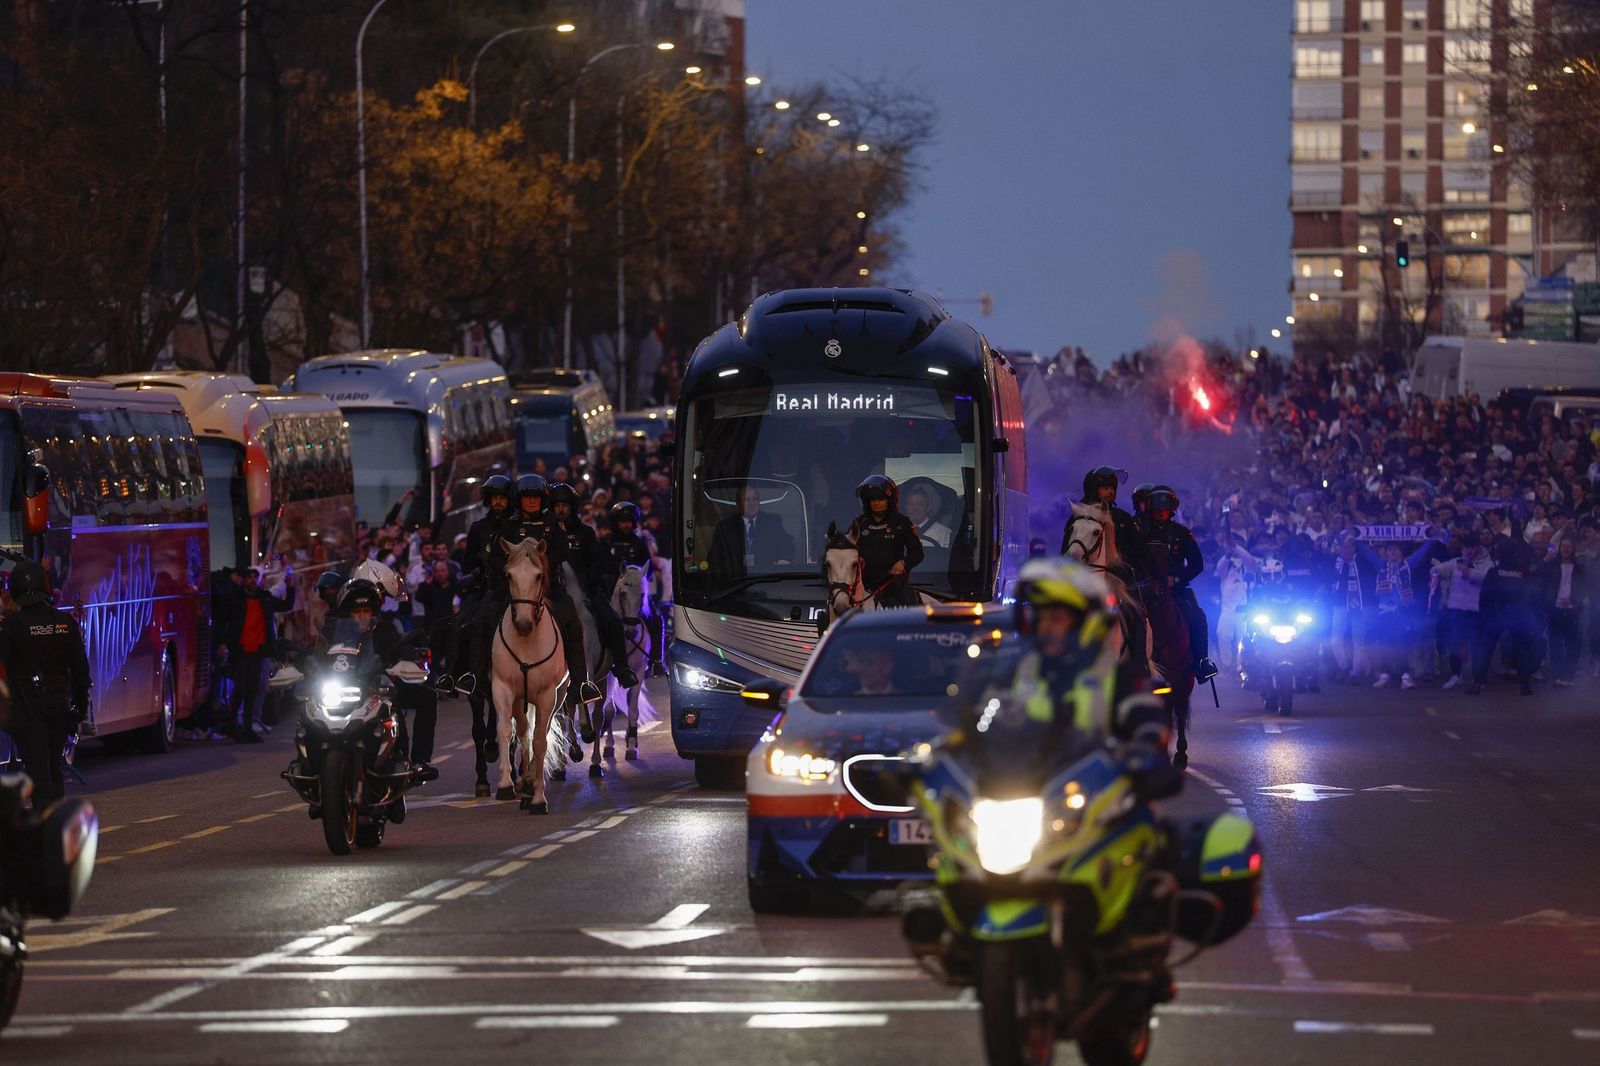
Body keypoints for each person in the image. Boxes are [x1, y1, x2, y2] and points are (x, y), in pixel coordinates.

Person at [503, 473, 605, 704]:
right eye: (527, 498)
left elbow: (563, 552)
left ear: (542, 500)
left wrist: (542, 560)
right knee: (483, 619)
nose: (531, 502)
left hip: (550, 589)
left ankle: (580, 684)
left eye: (536, 498)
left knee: (573, 623)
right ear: (519, 500)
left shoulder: (552, 525)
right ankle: (474, 675)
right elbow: (500, 554)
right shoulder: (510, 525)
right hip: (516, 591)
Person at [331, 571, 437, 780]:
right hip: (340, 690)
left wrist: (402, 664)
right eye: (357, 611)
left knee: (426, 697)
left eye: (366, 610)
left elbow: (402, 648)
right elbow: (317, 656)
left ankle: (417, 762)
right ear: (348, 614)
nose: (362, 615)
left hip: (379, 689)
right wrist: (304, 665)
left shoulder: (385, 629)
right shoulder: (335, 631)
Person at [0, 561, 90, 806]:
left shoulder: (11, 626)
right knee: (53, 768)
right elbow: (82, 671)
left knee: (38, 773)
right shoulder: (64, 623)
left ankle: (47, 829)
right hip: (59, 707)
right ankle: (58, 826)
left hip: (28, 711)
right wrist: (78, 708)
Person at [1140, 487, 1216, 682]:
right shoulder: (1139, 531)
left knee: (1197, 616)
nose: (1161, 514)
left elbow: (1197, 564)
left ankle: (1202, 661)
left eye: (1165, 510)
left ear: (1171, 511)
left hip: (1175, 589)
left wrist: (1176, 579)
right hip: (1144, 587)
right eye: (1157, 510)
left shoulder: (1182, 533)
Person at [223, 566, 295, 743]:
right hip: (240, 650)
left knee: (252, 690)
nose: (253, 581)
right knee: (241, 689)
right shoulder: (235, 599)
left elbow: (286, 605)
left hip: (258, 651)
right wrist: (223, 643)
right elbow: (223, 619)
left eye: (255, 578)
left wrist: (291, 587)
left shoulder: (264, 598)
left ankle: (247, 728)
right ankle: (232, 726)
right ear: (244, 580)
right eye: (249, 578)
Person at [589, 502, 648, 689]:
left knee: (656, 619)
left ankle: (656, 659)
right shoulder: (606, 542)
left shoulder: (639, 544)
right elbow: (598, 565)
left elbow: (650, 570)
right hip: (610, 591)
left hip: (635, 590)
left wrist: (640, 581)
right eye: (623, 521)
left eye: (630, 521)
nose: (627, 525)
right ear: (616, 522)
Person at [846, 475, 924, 608]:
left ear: (889, 500)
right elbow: (846, 552)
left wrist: (903, 563)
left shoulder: (901, 522)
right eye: (872, 499)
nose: (876, 503)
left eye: (880, 499)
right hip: (863, 584)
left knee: (913, 611)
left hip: (893, 583)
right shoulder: (859, 524)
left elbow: (917, 553)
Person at [710, 484, 794, 576]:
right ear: (738, 504)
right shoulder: (725, 527)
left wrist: (785, 560)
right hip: (735, 579)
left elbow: (786, 547)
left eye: (755, 499)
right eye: (747, 499)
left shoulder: (773, 522)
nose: (752, 503)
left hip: (767, 578)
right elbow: (715, 559)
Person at [1537, 537, 1585, 687]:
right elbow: (1537, 574)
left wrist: (1573, 600)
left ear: (1573, 549)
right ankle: (1557, 675)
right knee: (1555, 644)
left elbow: (1584, 588)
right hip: (1554, 609)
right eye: (1563, 546)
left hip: (1572, 610)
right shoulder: (1552, 565)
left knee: (1572, 645)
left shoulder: (1579, 568)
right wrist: (1546, 558)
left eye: (1568, 546)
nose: (1565, 549)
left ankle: (1569, 676)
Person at [904, 483, 953, 549]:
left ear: (928, 507)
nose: (915, 508)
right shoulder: (896, 531)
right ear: (906, 508)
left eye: (920, 504)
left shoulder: (945, 533)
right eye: (910, 504)